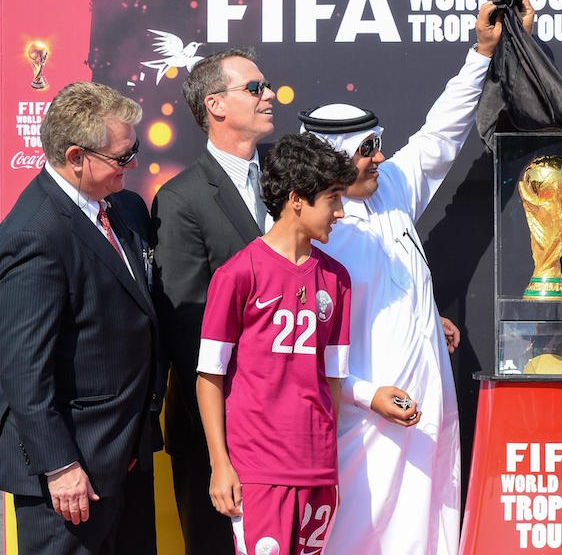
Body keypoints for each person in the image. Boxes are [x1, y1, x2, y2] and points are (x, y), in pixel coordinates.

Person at [301, 1, 503, 555]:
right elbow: (303, 350)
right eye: (367, 150)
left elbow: (439, 137)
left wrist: (481, 54)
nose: (380, 157)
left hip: (426, 415)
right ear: (333, 159)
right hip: (362, 428)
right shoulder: (310, 236)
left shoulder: (389, 189)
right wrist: (369, 397)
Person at [0, 81, 163, 554]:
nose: (131, 167)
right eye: (121, 158)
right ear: (75, 157)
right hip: (72, 478)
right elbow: (23, 369)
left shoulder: (122, 209)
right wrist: (59, 466)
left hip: (124, 455)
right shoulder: (35, 235)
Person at [195, 133, 358, 554]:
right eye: (333, 199)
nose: (340, 212)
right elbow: (208, 376)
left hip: (319, 470)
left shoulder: (337, 279)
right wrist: (220, 464)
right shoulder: (237, 274)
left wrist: (326, 455)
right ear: (296, 200)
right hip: (259, 470)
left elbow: (332, 380)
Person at [152, 47, 276, 553]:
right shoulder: (181, 198)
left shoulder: (288, 182)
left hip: (290, 418)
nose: (269, 96)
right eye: (254, 88)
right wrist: (224, 436)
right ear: (215, 105)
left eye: (266, 87)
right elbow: (189, 327)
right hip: (220, 424)